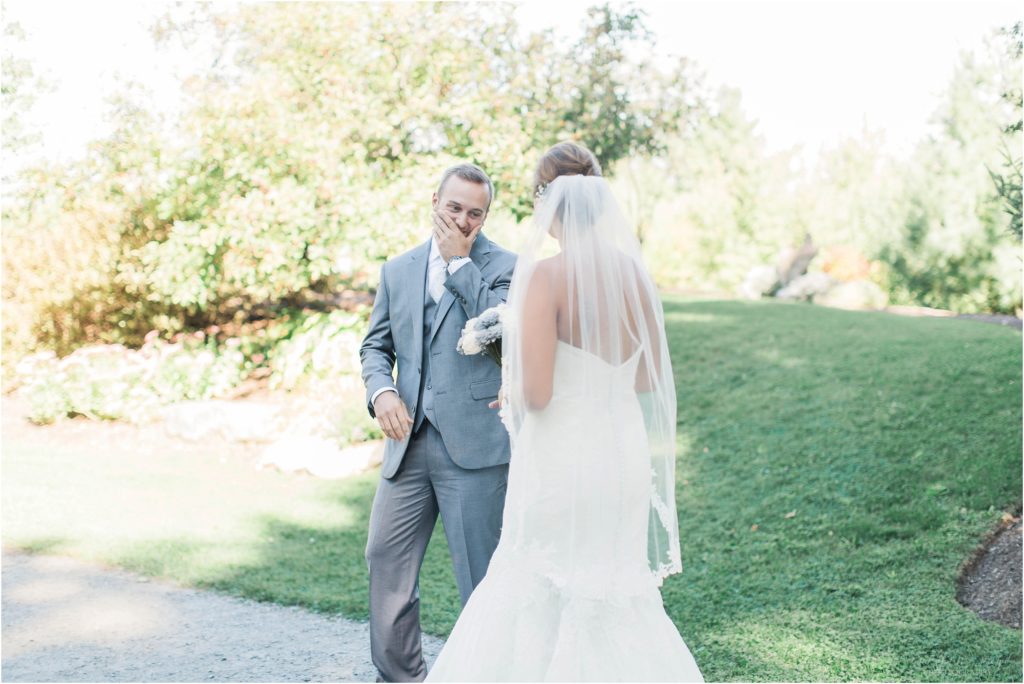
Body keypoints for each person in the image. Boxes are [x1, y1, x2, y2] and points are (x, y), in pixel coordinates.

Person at [425, 142, 705, 682]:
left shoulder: (546, 277)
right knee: (612, 588)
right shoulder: (635, 275)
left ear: (547, 202)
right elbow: (647, 379)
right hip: (620, 454)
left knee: (540, 581)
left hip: (563, 457)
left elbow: (538, 395)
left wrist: (513, 378)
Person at [359, 163, 517, 683]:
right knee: (385, 560)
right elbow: (375, 346)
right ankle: (400, 677)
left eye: (476, 213)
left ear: (486, 215)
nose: (464, 221)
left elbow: (504, 337)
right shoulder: (397, 269)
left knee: (481, 578)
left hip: (475, 447)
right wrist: (381, 391)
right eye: (454, 208)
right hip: (408, 444)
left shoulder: (506, 267)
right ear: (435, 201)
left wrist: (459, 264)